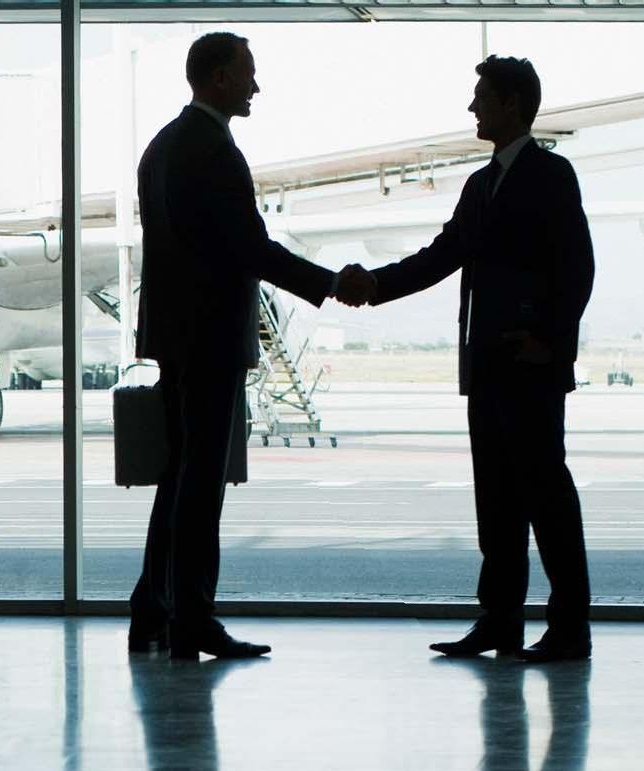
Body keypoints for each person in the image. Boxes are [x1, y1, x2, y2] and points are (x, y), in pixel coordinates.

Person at [338, 56, 595, 663]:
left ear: (511, 104)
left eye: (481, 97)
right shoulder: (481, 184)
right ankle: (499, 622)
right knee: (498, 501)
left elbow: (578, 266)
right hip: (487, 367)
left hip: (529, 365)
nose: (473, 108)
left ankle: (569, 628)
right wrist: (373, 284)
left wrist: (551, 343)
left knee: (547, 499)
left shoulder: (551, 174)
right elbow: (442, 254)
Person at [130, 31, 362, 660]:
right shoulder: (215, 152)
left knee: (177, 476)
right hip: (210, 339)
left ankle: (153, 609)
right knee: (201, 482)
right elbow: (248, 248)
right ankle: (193, 622)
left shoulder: (161, 147)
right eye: (248, 73)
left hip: (176, 338)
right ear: (219, 79)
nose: (257, 85)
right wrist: (327, 283)